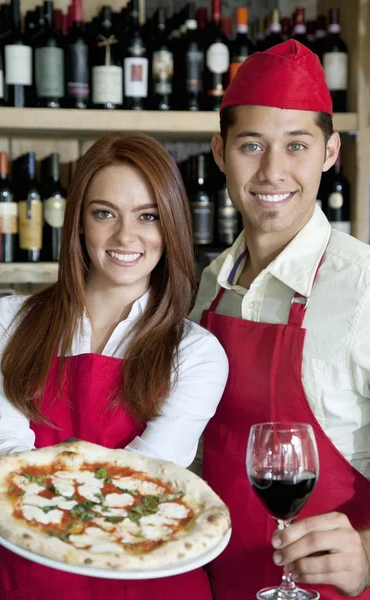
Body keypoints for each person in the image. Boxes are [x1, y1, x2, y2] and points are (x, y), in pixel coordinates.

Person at [0, 132, 229, 600]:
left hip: (155, 585)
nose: (126, 236)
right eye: (104, 213)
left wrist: (45, 475)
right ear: (79, 224)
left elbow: (145, 484)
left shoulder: (196, 352)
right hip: (36, 582)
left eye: (148, 216)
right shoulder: (4, 323)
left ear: (170, 226)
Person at [190, 40, 370, 599]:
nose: (273, 171)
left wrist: (367, 551)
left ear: (330, 152)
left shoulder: (363, 286)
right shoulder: (209, 285)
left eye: (297, 146)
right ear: (220, 152)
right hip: (214, 584)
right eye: (252, 145)